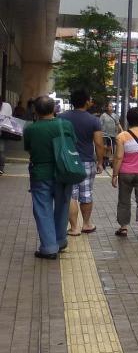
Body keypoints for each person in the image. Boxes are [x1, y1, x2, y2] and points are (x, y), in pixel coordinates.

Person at [23, 96, 74, 259]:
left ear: (35, 110)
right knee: (62, 207)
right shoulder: (65, 125)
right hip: (64, 172)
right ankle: (60, 241)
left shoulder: (30, 129)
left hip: (40, 173)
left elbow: (29, 149)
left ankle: (49, 247)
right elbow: (72, 144)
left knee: (42, 210)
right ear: (54, 109)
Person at [59, 89, 105, 236]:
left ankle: (74, 228)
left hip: (67, 161)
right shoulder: (93, 120)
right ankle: (86, 224)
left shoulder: (61, 117)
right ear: (86, 102)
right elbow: (99, 144)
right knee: (86, 193)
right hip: (86, 161)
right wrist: (100, 162)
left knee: (71, 194)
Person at [111, 106, 138, 240]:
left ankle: (123, 228)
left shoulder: (122, 136)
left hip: (126, 173)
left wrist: (114, 175)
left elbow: (119, 157)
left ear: (128, 119)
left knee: (124, 200)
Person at [0, 97, 13, 175]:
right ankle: (1, 168)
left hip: (2, 132)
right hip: (3, 131)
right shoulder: (7, 105)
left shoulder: (6, 106)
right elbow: (10, 117)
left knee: (1, 151)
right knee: (1, 151)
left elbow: (10, 117)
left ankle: (1, 168)